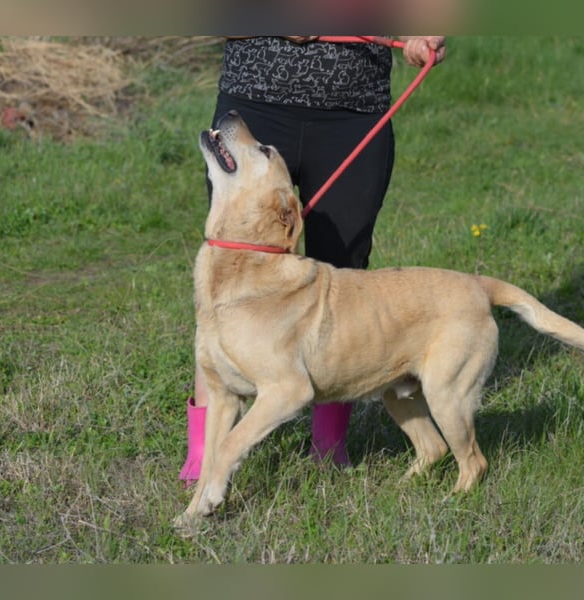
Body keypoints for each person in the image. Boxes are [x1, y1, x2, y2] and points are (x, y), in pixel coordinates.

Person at [180, 35, 447, 483]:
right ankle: (204, 452)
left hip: (355, 111)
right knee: (229, 278)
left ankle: (328, 444)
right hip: (257, 97)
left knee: (344, 275)